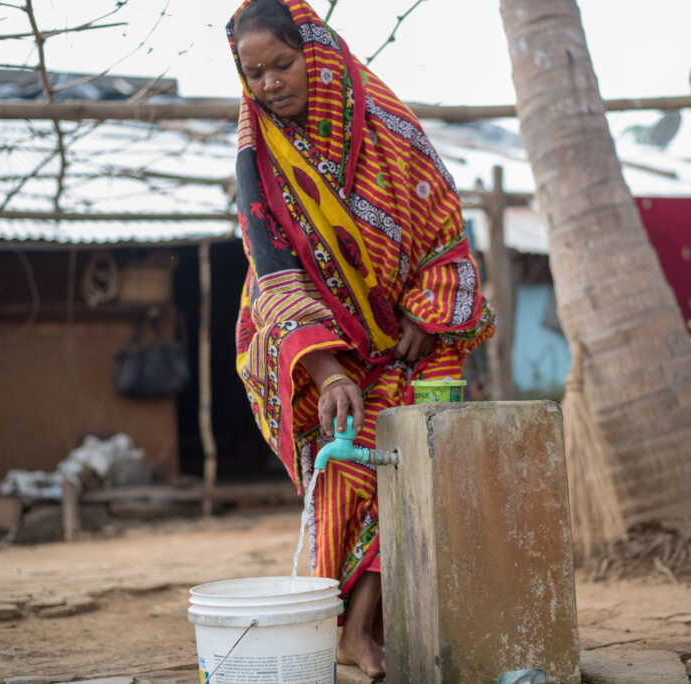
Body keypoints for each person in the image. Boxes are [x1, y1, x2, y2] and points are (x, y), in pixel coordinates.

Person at [227, 0, 494, 677]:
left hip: (403, 339)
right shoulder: (258, 157)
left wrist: (424, 311)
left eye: (281, 65)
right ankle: (353, 627)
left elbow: (441, 224)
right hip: (308, 342)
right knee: (346, 469)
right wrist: (324, 369)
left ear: (312, 52)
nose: (269, 85)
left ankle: (363, 628)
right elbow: (274, 267)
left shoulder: (391, 128)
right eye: (252, 73)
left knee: (403, 467)